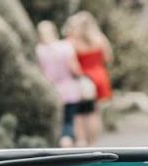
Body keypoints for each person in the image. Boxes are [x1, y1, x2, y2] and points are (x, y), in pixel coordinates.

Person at [64, 11, 113, 146]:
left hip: (84, 79)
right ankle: (93, 143)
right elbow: (108, 58)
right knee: (94, 112)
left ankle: (81, 142)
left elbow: (72, 65)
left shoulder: (72, 42)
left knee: (79, 113)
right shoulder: (100, 39)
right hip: (100, 76)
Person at [36, 20, 82, 148]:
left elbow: (40, 72)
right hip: (69, 90)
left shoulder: (39, 50)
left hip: (50, 91)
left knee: (55, 124)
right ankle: (67, 146)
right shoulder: (66, 47)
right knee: (68, 122)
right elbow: (75, 69)